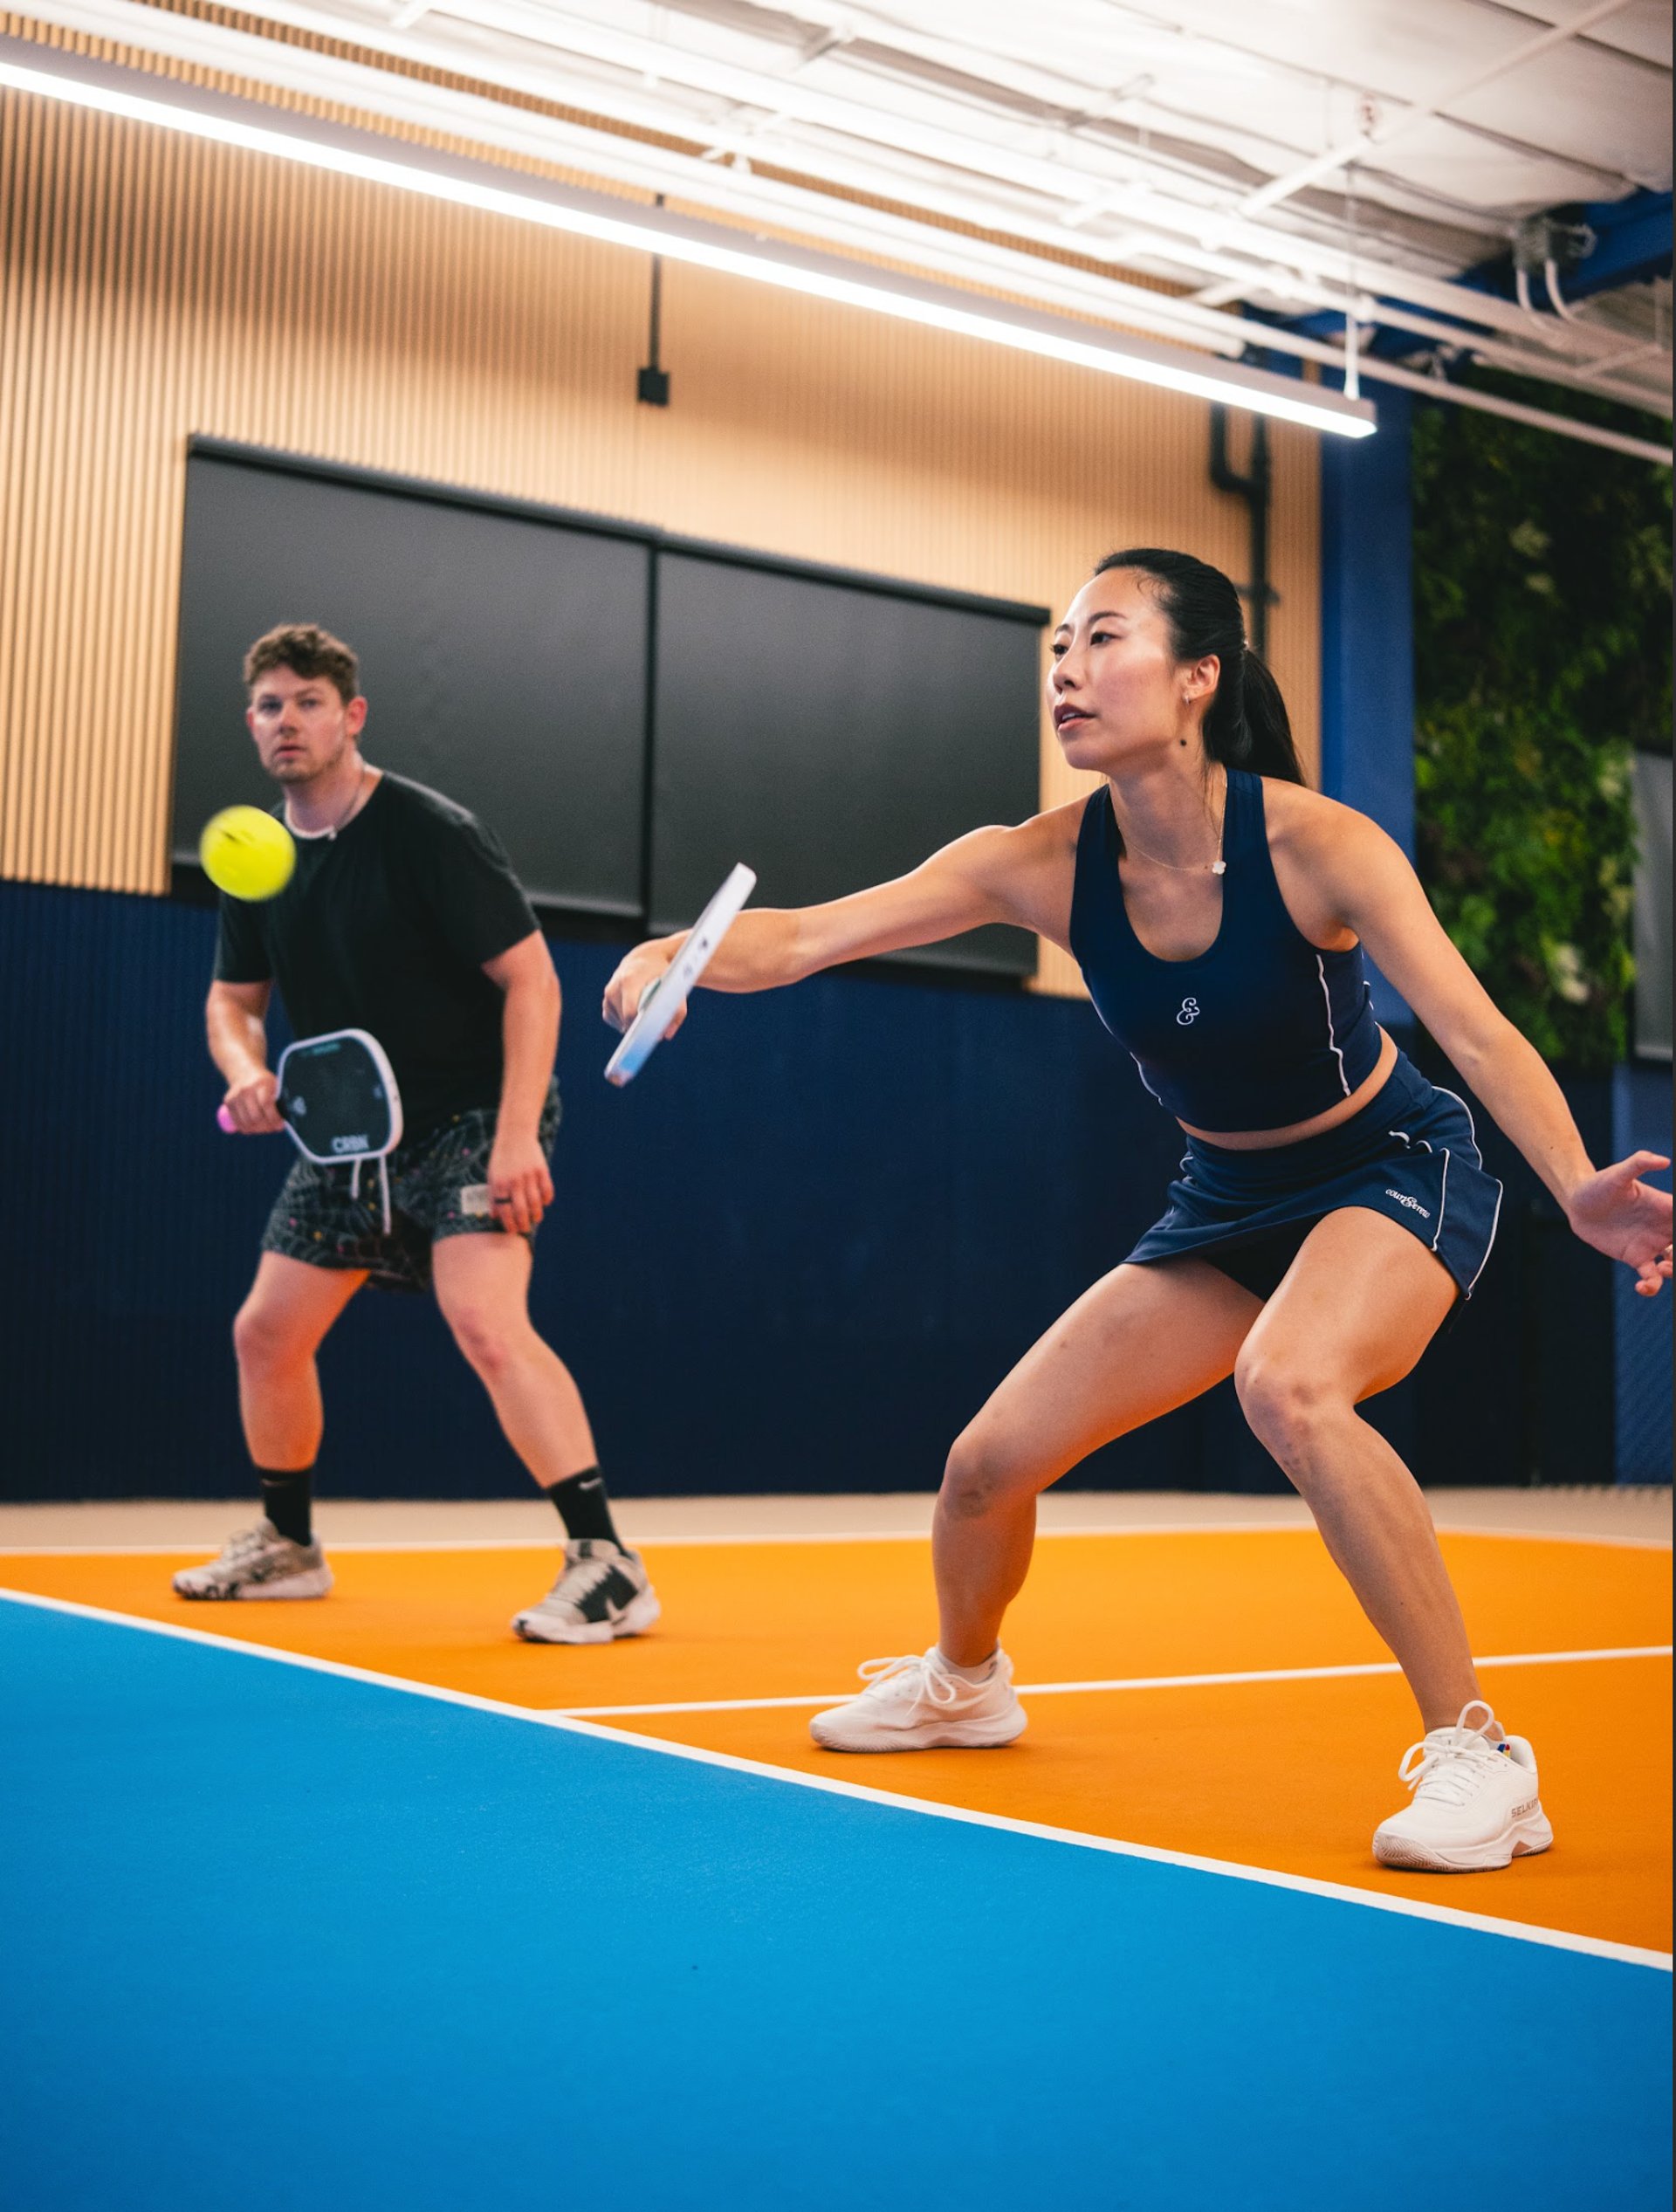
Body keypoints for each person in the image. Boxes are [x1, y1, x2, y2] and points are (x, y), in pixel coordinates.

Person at [603, 548, 1672, 1872]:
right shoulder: (1037, 863)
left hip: (1392, 1164)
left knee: (1291, 1385)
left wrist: (1575, 1185)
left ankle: (1482, 1753)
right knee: (985, 1468)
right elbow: (810, 935)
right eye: (1057, 645)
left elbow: (1479, 1029)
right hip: (1224, 1195)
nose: (1065, 667)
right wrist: (674, 954)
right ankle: (966, 1678)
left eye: (1102, 638)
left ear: (1196, 681)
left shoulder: (1322, 846)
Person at [176, 622, 659, 1645]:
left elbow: (531, 979)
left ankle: (607, 1561)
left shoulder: (430, 832)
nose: (287, 720)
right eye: (269, 705)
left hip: (475, 1111)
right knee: (266, 1331)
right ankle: (289, 1543)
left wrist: (518, 1135)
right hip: (348, 1134)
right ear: (251, 724)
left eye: (308, 701)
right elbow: (232, 1003)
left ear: (351, 716)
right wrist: (246, 1071)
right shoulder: (253, 859)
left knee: (483, 1317)